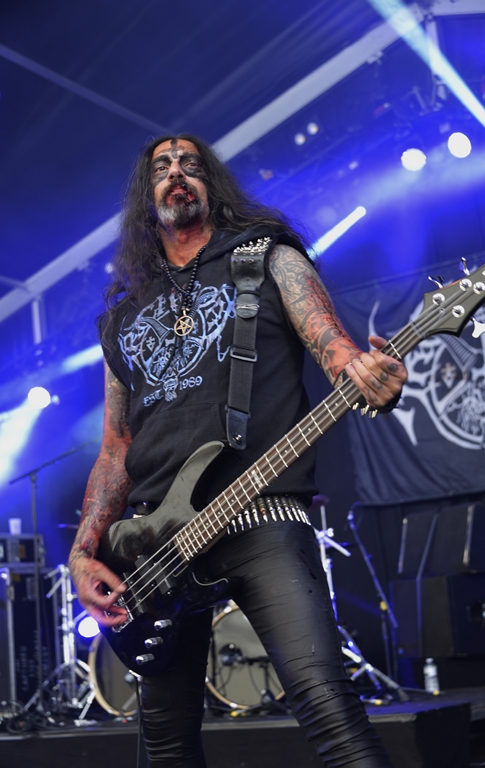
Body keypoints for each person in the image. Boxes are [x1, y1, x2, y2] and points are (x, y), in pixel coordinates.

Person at [69, 133, 407, 767]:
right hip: (156, 546)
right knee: (167, 749)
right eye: (162, 167)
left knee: (332, 717)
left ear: (211, 184)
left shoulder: (267, 257)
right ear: (146, 195)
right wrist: (83, 553)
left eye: (190, 165)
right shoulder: (122, 315)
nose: (177, 173)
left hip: (262, 513)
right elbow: (116, 447)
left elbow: (332, 344)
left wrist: (362, 372)